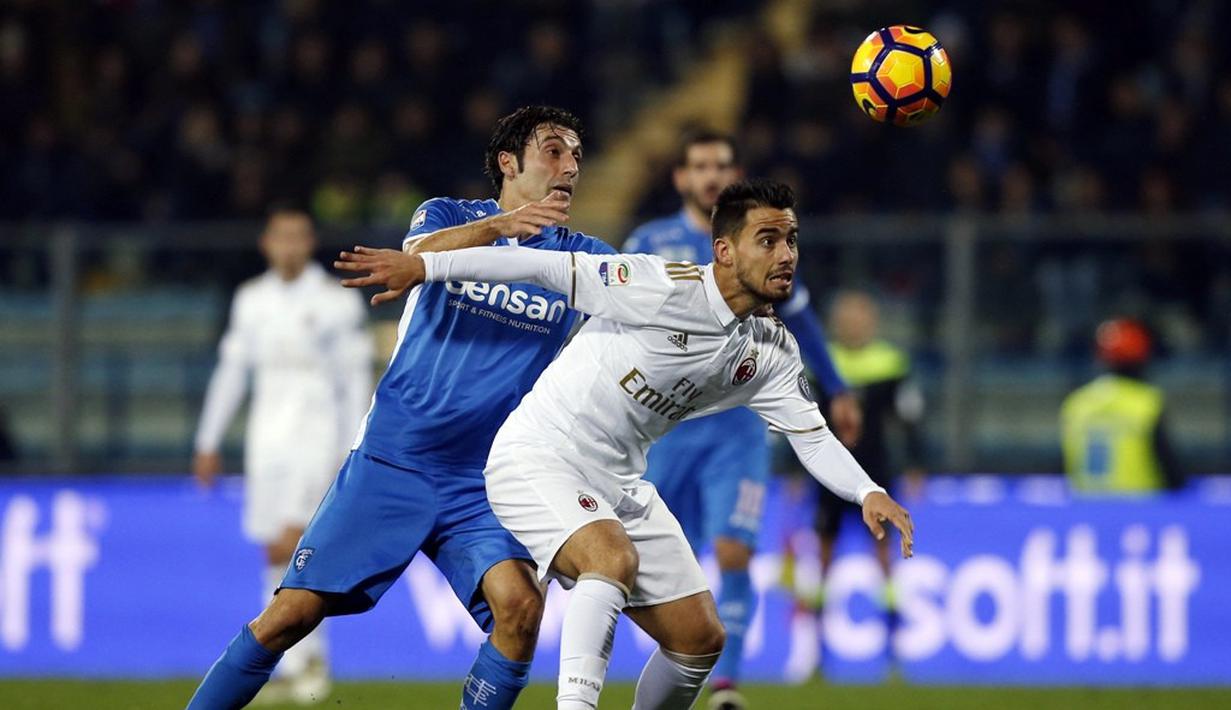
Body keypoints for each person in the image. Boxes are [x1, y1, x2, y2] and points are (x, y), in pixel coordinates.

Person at [338, 178, 913, 710]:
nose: (787, 254)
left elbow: (811, 436)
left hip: (619, 483)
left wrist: (867, 491)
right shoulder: (658, 286)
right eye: (768, 239)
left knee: (699, 639)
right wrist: (425, 265)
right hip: (540, 455)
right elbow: (537, 267)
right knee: (610, 559)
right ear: (725, 251)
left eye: (791, 239)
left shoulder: (770, 353)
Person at [186, 106, 616, 710]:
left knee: (520, 610)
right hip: (396, 460)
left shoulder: (583, 256)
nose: (570, 164)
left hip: (488, 478)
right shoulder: (446, 215)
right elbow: (417, 253)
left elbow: (639, 306)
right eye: (553, 150)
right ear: (508, 162)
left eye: (576, 154)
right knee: (289, 616)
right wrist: (505, 227)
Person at [622, 129, 861, 710]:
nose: (711, 175)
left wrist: (838, 388)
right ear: (681, 177)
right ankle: (649, 669)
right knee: (627, 563)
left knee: (734, 552)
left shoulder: (763, 243)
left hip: (736, 428)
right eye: (700, 165)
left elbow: (800, 319)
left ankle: (725, 687)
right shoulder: (649, 241)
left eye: (722, 164)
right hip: (666, 429)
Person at [193, 208, 373, 704]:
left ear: (309, 242)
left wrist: (354, 444)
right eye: (281, 237)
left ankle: (311, 662)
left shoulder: (335, 301)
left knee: (299, 547)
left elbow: (354, 378)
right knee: (274, 550)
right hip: (266, 437)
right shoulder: (251, 300)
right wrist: (208, 440)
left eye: (298, 237)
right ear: (267, 243)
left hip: (316, 434)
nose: (289, 246)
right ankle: (292, 665)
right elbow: (232, 373)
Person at [812, 290, 925, 647]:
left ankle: (893, 639)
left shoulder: (890, 363)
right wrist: (796, 471)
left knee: (883, 554)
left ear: (872, 323)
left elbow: (909, 418)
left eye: (859, 319)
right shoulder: (823, 362)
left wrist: (915, 464)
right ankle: (816, 644)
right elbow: (802, 418)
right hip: (829, 474)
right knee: (823, 554)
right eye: (847, 320)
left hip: (874, 473)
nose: (853, 326)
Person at [1060, 317, 1184, 493]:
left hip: (1086, 510)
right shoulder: (1146, 402)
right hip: (1140, 512)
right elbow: (1169, 468)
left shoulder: (1077, 403)